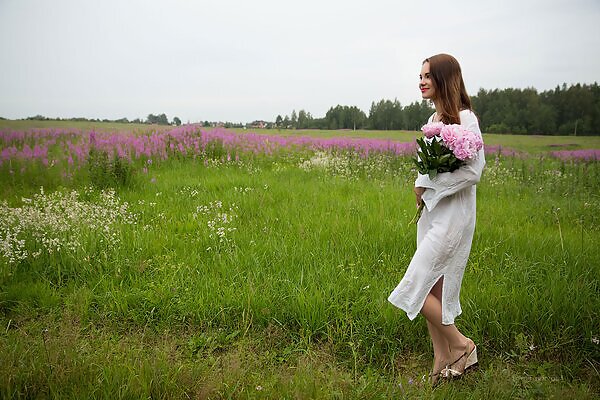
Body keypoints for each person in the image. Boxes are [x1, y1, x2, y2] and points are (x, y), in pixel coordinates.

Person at [388, 53, 485, 385]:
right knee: (432, 287)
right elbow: (426, 168)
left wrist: (430, 187)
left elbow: (474, 171)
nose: (422, 80)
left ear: (445, 78)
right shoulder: (434, 118)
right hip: (431, 216)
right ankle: (441, 359)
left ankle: (461, 345)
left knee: (412, 288)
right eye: (420, 75)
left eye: (428, 75)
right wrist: (421, 184)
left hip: (453, 216)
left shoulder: (465, 118)